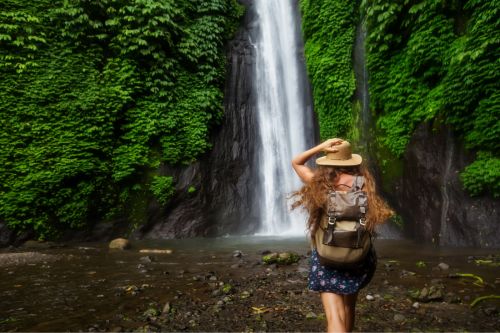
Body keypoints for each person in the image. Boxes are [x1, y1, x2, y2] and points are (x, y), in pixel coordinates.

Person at [291, 138, 393, 333]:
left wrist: (321, 147)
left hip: (327, 258)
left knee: (334, 316)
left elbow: (296, 162)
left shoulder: (319, 185)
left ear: (327, 161)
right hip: (358, 256)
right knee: (348, 308)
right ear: (351, 162)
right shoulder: (365, 186)